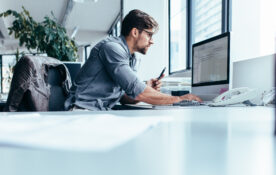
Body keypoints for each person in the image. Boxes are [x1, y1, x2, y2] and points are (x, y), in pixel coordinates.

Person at [64, 9, 201, 111]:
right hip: (81, 110)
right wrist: (180, 99)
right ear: (135, 32)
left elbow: (128, 97)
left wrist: (146, 86)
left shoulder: (132, 58)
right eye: (149, 35)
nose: (152, 41)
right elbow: (138, 92)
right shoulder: (112, 48)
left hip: (98, 111)